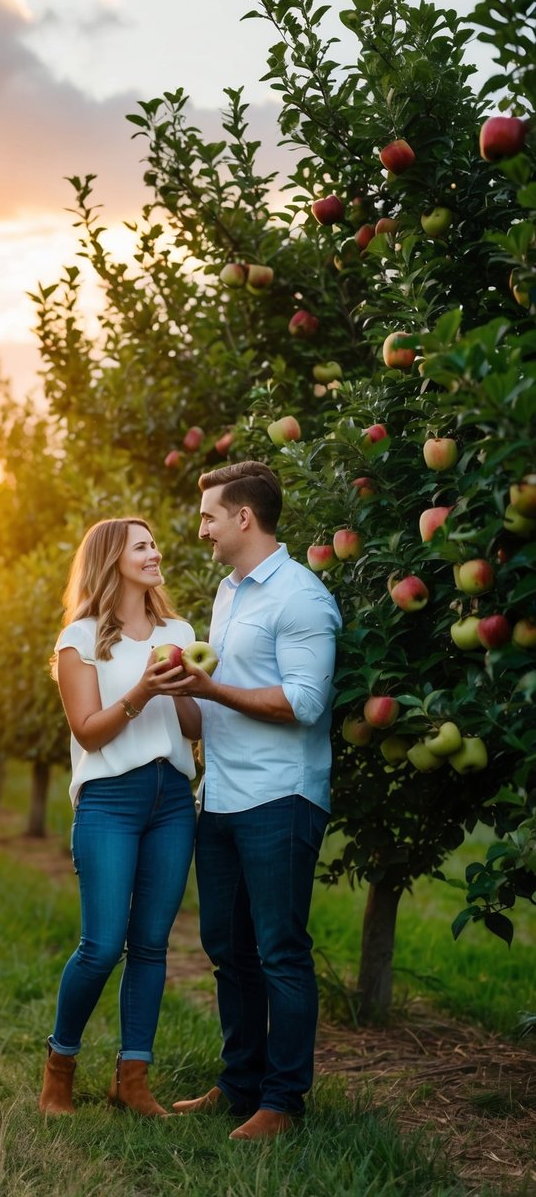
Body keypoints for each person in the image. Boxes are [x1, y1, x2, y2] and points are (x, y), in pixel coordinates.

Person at [164, 461, 341, 1141]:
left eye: (209, 515)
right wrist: (185, 688)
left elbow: (303, 702)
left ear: (244, 518)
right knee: (226, 948)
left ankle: (282, 1101)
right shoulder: (227, 591)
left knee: (278, 950)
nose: (201, 527)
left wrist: (211, 694)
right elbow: (224, 684)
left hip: (279, 795)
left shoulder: (299, 596)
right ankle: (239, 1084)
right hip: (223, 796)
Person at [38, 517, 201, 1118]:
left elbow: (194, 728)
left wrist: (186, 687)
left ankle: (132, 1079)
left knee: (152, 944)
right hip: (110, 799)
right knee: (103, 944)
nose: (156, 553)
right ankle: (60, 1067)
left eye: (155, 543)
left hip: (171, 800)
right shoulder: (79, 639)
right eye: (142, 546)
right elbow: (89, 731)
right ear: (112, 560)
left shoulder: (178, 631)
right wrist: (143, 690)